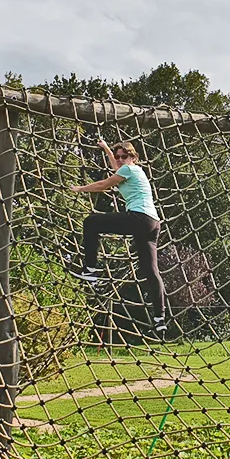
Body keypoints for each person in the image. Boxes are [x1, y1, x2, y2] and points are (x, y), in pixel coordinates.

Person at [70, 139, 166, 334]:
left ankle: (90, 269)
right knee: (151, 271)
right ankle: (160, 318)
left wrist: (80, 189)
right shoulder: (132, 170)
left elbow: (104, 184)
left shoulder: (129, 170)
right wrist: (106, 148)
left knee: (91, 223)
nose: (120, 160)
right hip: (153, 224)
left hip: (139, 218)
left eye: (125, 156)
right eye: (118, 156)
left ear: (134, 157)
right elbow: (115, 166)